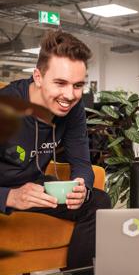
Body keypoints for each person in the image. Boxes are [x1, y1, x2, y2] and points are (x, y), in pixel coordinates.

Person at [0, 30, 111, 268]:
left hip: (35, 190)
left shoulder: (73, 108)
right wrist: (9, 196)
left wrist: (82, 186)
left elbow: (81, 162)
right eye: (60, 83)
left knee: (98, 202)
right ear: (38, 77)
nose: (70, 96)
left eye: (78, 85)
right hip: (4, 192)